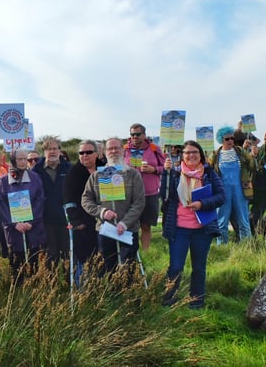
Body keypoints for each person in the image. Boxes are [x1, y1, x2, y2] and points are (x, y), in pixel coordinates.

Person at [161, 140, 225, 309]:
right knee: (175, 266)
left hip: (202, 229)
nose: (191, 155)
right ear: (182, 156)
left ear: (201, 154)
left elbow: (221, 196)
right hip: (179, 229)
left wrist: (202, 204)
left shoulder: (209, 173)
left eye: (194, 152)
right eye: (187, 152)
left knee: (199, 268)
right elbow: (164, 195)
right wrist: (166, 173)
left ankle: (196, 302)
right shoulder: (174, 173)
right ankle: (169, 299)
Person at [82, 137, 146, 274]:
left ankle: (127, 295)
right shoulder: (96, 176)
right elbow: (86, 200)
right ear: (104, 153)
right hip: (105, 229)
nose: (114, 151)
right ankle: (111, 295)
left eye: (117, 148)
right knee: (108, 268)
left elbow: (139, 202)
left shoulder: (133, 174)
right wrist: (102, 212)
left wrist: (125, 223)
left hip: (128, 230)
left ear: (123, 150)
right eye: (110, 148)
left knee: (127, 268)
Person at [0, 148, 45, 284]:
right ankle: (18, 296)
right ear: (13, 160)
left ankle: (34, 295)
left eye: (25, 159)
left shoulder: (35, 178)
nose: (23, 162)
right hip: (14, 230)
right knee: (16, 268)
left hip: (32, 228)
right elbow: (2, 204)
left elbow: (40, 200)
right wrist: (14, 224)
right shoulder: (4, 181)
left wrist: (31, 221)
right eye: (20, 159)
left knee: (33, 265)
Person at [209, 126, 255, 244]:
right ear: (221, 140)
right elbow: (208, 170)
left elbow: (252, 167)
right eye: (227, 139)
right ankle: (222, 246)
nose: (230, 141)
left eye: (232, 138)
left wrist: (253, 156)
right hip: (222, 191)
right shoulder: (215, 154)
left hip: (241, 189)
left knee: (243, 219)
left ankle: (247, 245)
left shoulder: (240, 151)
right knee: (222, 219)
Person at [62, 140, 100, 285]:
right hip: (83, 223)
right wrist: (76, 222)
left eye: (88, 152)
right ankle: (83, 289)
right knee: (84, 258)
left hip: (104, 220)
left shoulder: (104, 169)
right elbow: (67, 199)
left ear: (96, 154)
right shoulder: (73, 173)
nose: (85, 155)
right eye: (81, 153)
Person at [124, 123, 166, 252]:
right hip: (129, 194)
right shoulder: (125, 149)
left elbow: (166, 168)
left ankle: (145, 253)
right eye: (132, 134)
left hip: (149, 193)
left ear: (144, 135)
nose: (134, 137)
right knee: (129, 225)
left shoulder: (154, 148)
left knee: (146, 226)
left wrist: (154, 169)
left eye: (137, 134)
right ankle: (131, 253)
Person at [32, 136, 71, 268]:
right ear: (44, 151)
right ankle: (51, 286)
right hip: (45, 220)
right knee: (50, 255)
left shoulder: (69, 168)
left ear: (60, 151)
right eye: (49, 149)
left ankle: (69, 285)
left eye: (55, 148)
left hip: (66, 219)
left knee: (68, 254)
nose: (52, 152)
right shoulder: (35, 171)